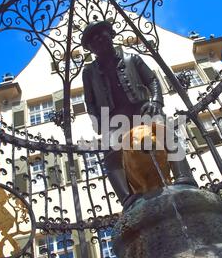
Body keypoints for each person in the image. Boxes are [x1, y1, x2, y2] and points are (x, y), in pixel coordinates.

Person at [81, 20, 197, 210]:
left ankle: (184, 175)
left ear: (110, 35)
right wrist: (99, 122)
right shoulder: (89, 72)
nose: (98, 40)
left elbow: (152, 80)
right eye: (92, 40)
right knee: (111, 152)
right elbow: (90, 101)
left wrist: (156, 102)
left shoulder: (131, 58)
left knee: (165, 131)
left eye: (101, 34)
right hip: (113, 118)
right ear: (90, 48)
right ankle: (127, 198)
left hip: (142, 108)